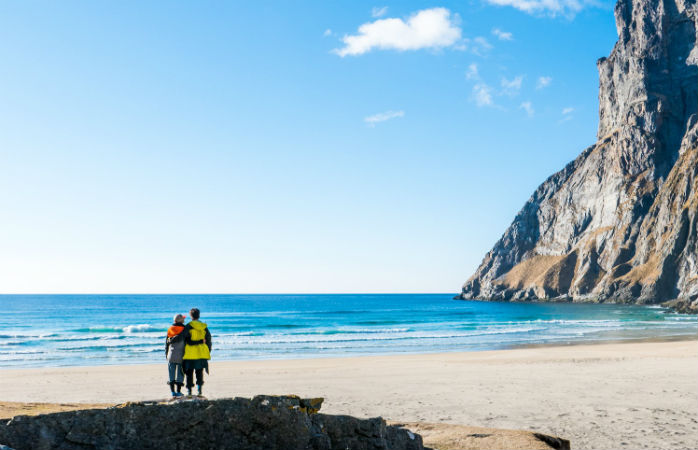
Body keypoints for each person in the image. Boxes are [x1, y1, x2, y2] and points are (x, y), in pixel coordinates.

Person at [182, 307, 212, 396]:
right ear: (199, 316)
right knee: (199, 372)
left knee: (189, 373)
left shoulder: (188, 326)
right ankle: (199, 391)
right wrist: (208, 350)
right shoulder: (204, 326)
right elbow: (208, 339)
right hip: (201, 352)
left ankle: (189, 392)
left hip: (190, 354)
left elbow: (185, 339)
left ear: (190, 316)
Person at [165, 314, 186, 397]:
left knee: (171, 374)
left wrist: (166, 354)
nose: (184, 320)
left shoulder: (170, 329)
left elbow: (166, 343)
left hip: (171, 354)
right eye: (183, 319)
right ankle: (178, 391)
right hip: (181, 355)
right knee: (180, 374)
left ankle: (172, 392)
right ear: (181, 321)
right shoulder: (184, 329)